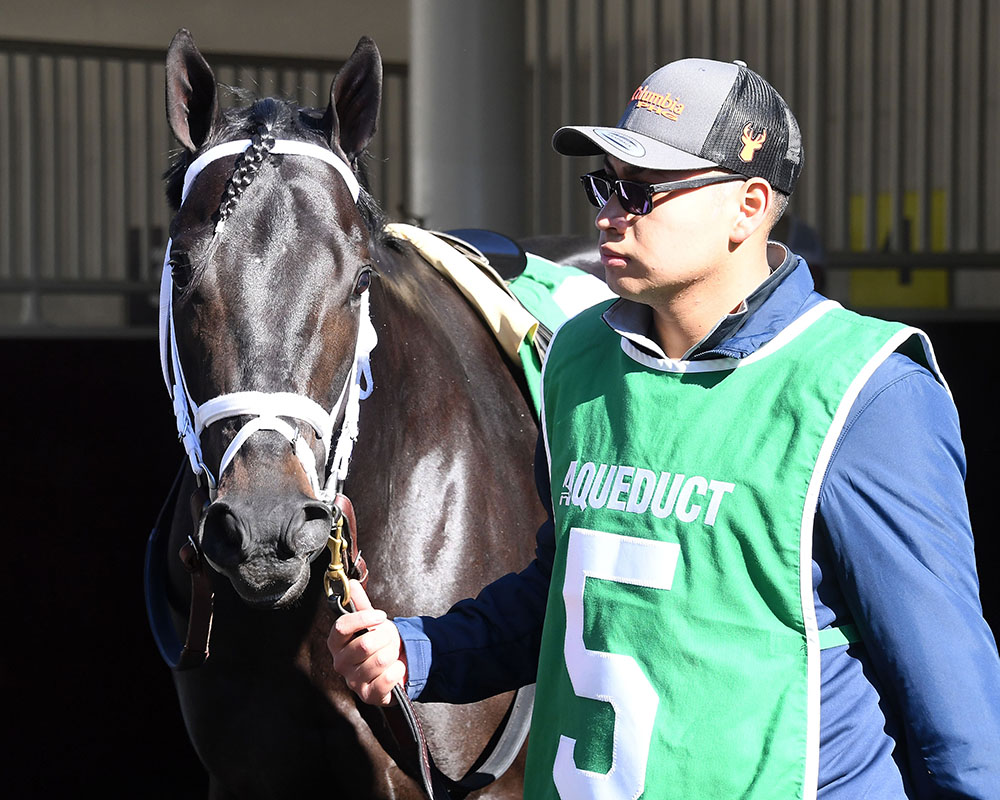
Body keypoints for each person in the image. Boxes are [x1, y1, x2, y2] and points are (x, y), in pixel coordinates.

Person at [328, 58, 1000, 799]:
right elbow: (571, 589)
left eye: (640, 192)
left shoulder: (867, 391)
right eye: (604, 186)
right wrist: (415, 651)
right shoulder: (579, 357)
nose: (608, 214)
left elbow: (949, 694)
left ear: (748, 206)